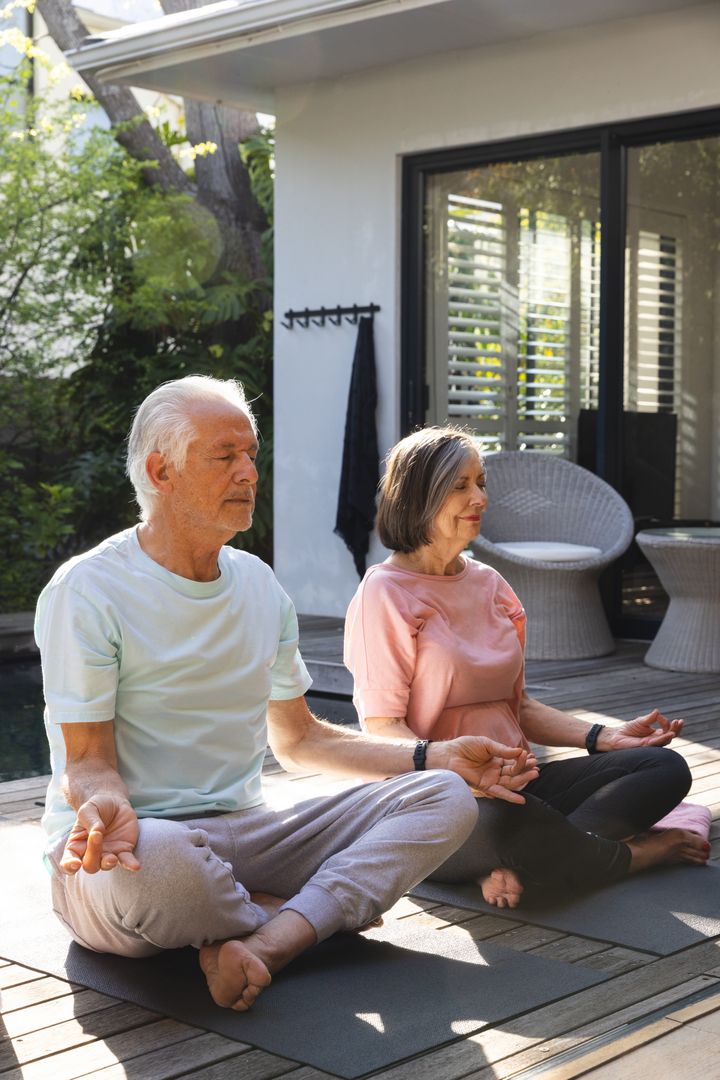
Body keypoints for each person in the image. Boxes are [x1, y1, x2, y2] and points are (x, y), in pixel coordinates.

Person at [34, 377, 538, 1013]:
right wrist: (106, 808)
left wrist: (434, 757)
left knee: (444, 798)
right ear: (162, 472)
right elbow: (87, 762)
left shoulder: (258, 584)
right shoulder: (88, 589)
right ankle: (300, 919)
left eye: (252, 454)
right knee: (163, 867)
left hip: (246, 836)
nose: (249, 471)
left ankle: (267, 935)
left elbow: (301, 740)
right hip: (134, 851)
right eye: (226, 456)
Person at [344, 426, 710, 910]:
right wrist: (462, 776)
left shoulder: (490, 584)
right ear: (417, 497)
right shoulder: (383, 593)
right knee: (503, 822)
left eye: (481, 482)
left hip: (521, 783)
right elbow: (383, 728)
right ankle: (631, 856)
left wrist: (604, 737)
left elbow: (517, 705)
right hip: (437, 801)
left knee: (663, 766)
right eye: (460, 486)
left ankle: (533, 860)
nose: (479, 497)